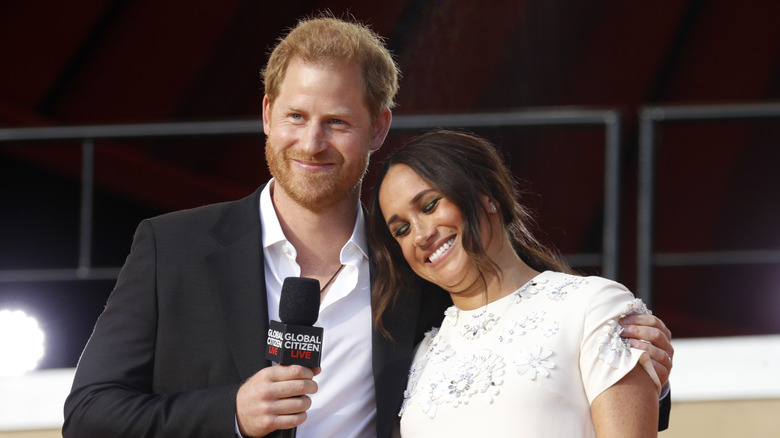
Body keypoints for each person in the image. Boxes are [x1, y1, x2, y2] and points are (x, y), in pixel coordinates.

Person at [63, 14, 673, 438]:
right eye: (296, 115)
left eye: (337, 121)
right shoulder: (172, 248)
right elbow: (90, 414)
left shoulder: (415, 263)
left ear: (378, 128)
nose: (312, 142)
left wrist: (633, 370)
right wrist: (231, 412)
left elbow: (511, 352)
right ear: (269, 114)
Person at [368, 129, 666, 437]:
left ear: (487, 195)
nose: (420, 235)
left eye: (430, 206)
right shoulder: (418, 355)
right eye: (401, 229)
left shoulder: (593, 306)